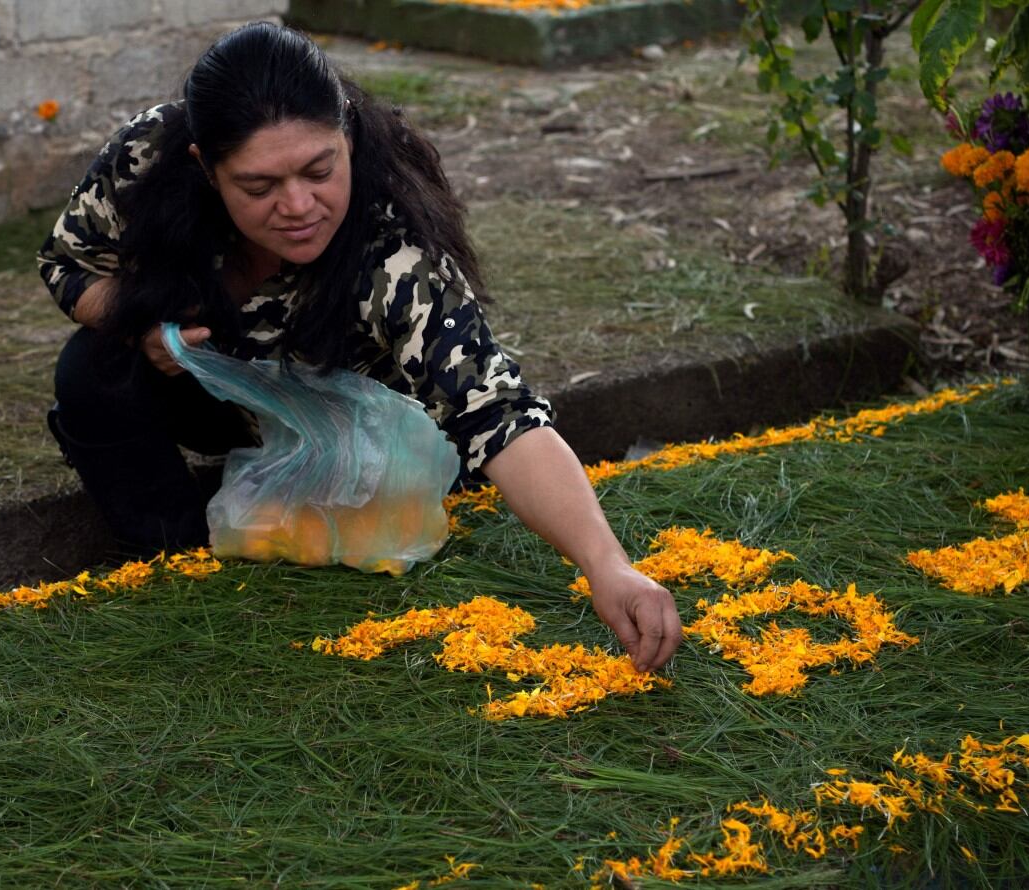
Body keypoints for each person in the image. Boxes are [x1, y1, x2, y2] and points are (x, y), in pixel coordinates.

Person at [37, 21, 681, 672]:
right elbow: (66, 264)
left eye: (320, 170)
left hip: (356, 425)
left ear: (345, 132)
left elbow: (501, 417)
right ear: (205, 166)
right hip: (213, 392)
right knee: (93, 370)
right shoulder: (147, 157)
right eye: (259, 187)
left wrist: (609, 566)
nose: (298, 206)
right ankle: (178, 552)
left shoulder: (394, 253)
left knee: (415, 486)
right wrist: (141, 324)